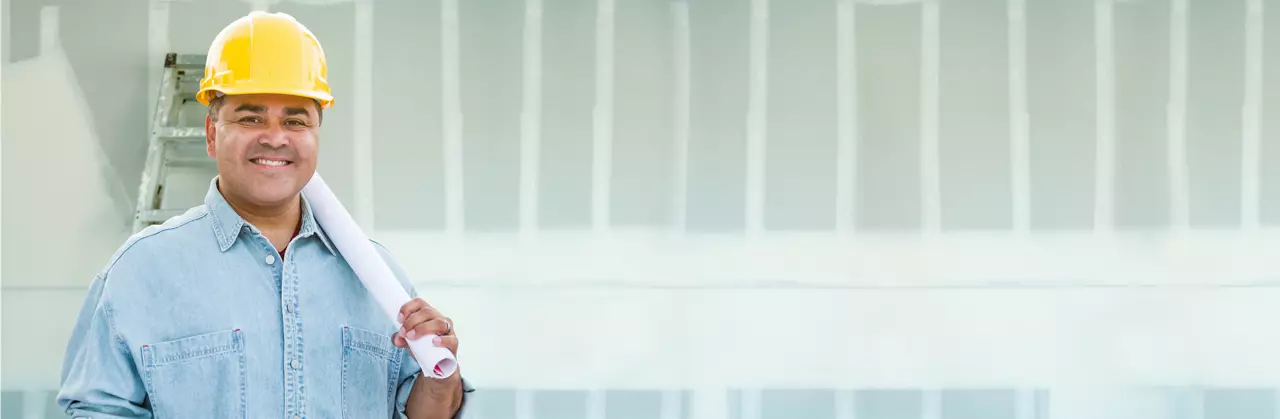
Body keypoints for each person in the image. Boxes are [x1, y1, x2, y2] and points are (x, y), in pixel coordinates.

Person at [56, 11, 472, 419]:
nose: (275, 137)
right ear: (212, 133)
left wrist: (440, 383)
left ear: (315, 136)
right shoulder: (141, 272)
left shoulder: (378, 276)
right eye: (251, 117)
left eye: (295, 120)